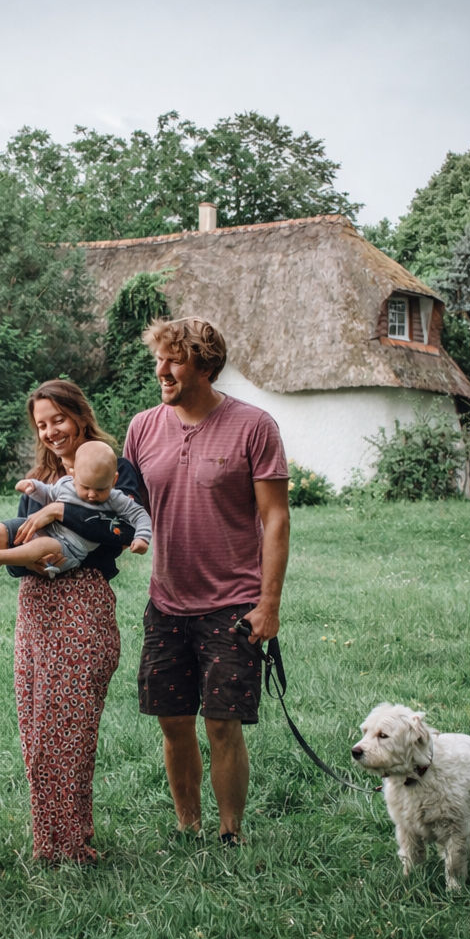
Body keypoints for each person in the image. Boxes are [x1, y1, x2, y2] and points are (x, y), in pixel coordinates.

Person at [123, 317, 290, 845]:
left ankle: (230, 831)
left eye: (174, 360)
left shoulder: (254, 426)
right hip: (166, 601)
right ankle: (187, 824)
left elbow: (276, 518)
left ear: (204, 365)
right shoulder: (142, 428)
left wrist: (269, 604)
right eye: (158, 359)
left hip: (232, 604)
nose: (162, 370)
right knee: (173, 722)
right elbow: (124, 509)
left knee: (222, 723)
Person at [6, 380, 144, 864]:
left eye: (58, 419)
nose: (51, 431)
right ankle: (51, 841)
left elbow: (124, 530)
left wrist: (62, 509)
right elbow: (22, 546)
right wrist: (17, 558)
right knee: (37, 726)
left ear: (80, 416)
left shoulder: (114, 468)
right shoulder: (39, 478)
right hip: (35, 603)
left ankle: (72, 840)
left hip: (83, 602)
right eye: (42, 424)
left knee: (72, 725)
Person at [0, 440, 150, 580]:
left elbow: (139, 514)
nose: (91, 495)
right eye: (85, 487)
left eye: (100, 489)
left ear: (113, 481)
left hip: (69, 549)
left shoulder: (115, 498)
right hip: (50, 532)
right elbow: (48, 493)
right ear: (73, 475)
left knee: (43, 545)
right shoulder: (66, 485)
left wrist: (142, 538)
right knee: (5, 528)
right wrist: (33, 487)